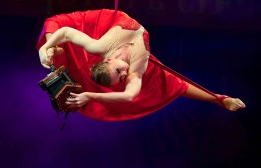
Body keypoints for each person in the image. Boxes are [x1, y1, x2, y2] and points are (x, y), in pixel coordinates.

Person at [37, 9, 245, 121]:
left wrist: (43, 49)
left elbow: (65, 32)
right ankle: (220, 100)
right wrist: (90, 96)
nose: (124, 72)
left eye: (118, 71)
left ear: (107, 59)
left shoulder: (99, 47)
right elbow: (128, 96)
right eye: (121, 77)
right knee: (171, 83)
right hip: (136, 43)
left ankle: (54, 53)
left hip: (110, 19)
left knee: (58, 27)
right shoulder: (137, 69)